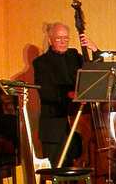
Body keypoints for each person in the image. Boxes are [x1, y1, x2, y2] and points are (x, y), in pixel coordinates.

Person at [32, 22, 98, 166]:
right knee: (58, 170)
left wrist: (95, 50)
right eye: (59, 38)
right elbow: (46, 92)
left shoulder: (74, 56)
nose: (63, 42)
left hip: (79, 124)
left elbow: (95, 74)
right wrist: (71, 95)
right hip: (55, 127)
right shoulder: (41, 63)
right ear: (50, 40)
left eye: (66, 38)